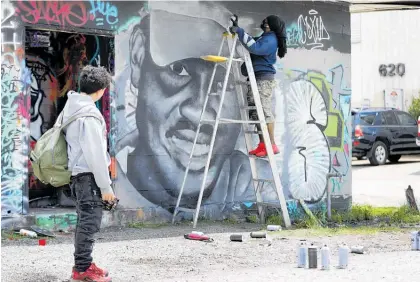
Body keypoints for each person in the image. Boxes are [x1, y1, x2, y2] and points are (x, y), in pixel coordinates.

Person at [62, 65, 116, 282]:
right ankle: (82, 269)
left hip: (78, 176)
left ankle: (84, 264)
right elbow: (95, 154)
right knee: (89, 223)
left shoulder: (72, 107)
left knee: (85, 221)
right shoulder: (89, 115)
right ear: (102, 89)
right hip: (88, 177)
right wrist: (106, 187)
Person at [230, 14, 287, 157]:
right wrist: (239, 30)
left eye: (268, 23)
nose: (265, 24)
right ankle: (263, 144)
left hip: (263, 79)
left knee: (264, 111)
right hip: (255, 78)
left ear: (274, 26)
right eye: (265, 22)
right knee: (257, 113)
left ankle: (271, 145)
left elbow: (255, 48)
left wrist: (240, 31)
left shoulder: (271, 39)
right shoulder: (264, 37)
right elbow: (250, 42)